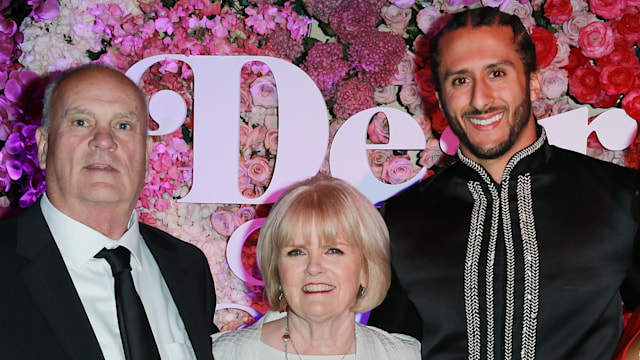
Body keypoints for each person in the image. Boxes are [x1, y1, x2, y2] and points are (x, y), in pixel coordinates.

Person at [367, 6, 640, 360]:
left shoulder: (619, 196)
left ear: (534, 81)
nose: (480, 99)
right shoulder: (402, 218)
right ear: (438, 93)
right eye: (460, 80)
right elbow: (388, 348)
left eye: (497, 73)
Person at [0, 63, 218, 360]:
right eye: (80, 122)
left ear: (146, 153)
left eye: (123, 125)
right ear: (43, 147)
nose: (103, 140)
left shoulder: (188, 268)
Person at [211, 175, 421, 359]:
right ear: (277, 269)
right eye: (297, 252)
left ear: (366, 269)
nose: (314, 267)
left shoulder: (404, 355)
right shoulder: (223, 354)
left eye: (333, 251)